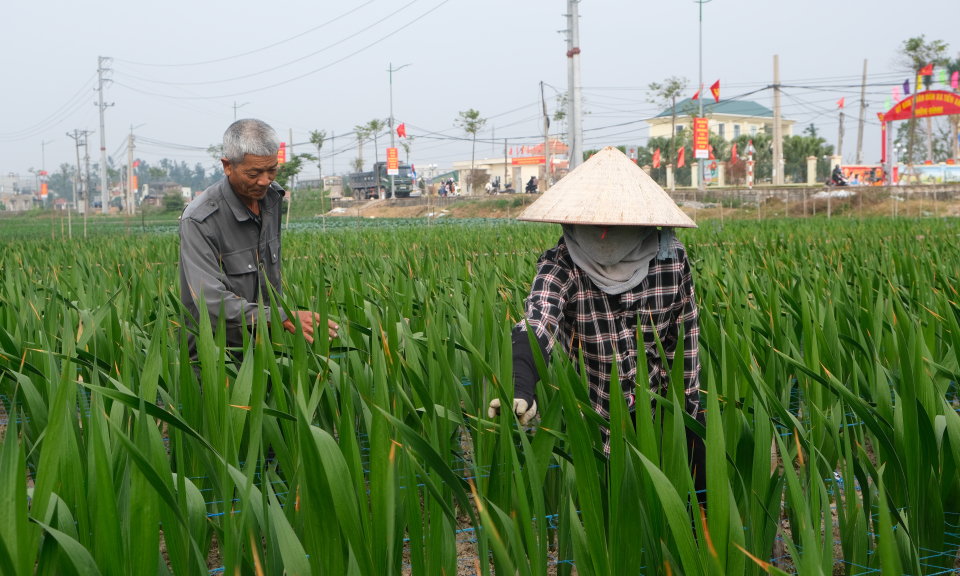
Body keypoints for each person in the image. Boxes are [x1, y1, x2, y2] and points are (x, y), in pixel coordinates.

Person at [489, 146, 707, 499]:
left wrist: (690, 424)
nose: (604, 233)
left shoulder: (670, 259)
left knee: (687, 518)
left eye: (616, 222)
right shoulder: (562, 264)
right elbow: (539, 320)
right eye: (595, 223)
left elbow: (684, 348)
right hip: (596, 420)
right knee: (613, 531)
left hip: (665, 416)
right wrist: (520, 385)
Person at [179, 119, 338, 365]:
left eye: (272, 169)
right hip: (218, 360)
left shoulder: (271, 199)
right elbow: (210, 301)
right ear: (227, 166)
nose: (265, 180)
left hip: (266, 351)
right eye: (254, 173)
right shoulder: (200, 220)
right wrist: (283, 317)